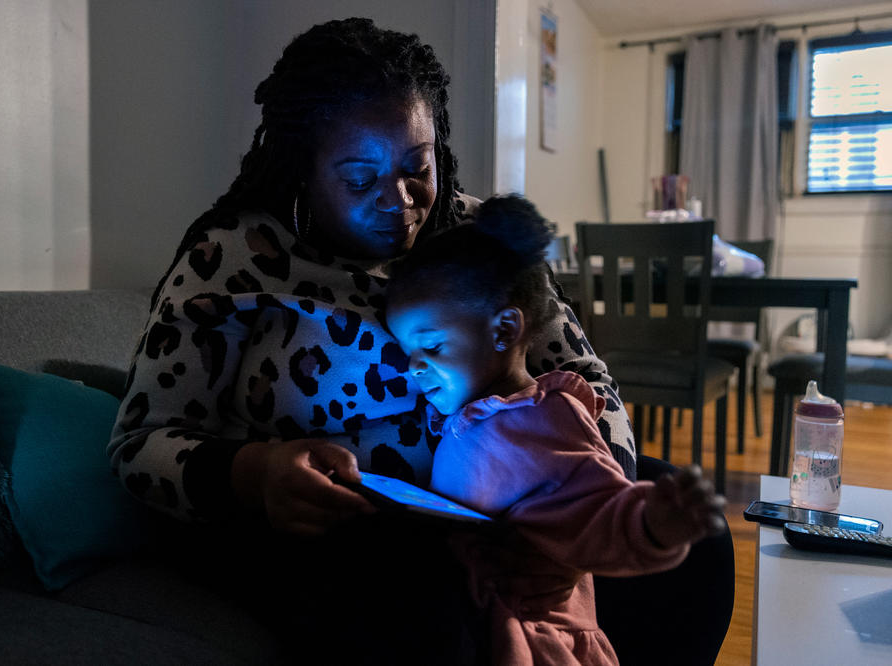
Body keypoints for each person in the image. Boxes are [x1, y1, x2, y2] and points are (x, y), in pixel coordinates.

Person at [108, 17, 637, 664]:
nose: (402, 199)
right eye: (360, 180)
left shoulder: (478, 241)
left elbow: (589, 379)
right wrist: (256, 473)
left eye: (420, 166)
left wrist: (587, 505)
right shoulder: (233, 259)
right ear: (303, 169)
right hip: (332, 538)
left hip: (510, 509)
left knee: (693, 551)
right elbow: (140, 445)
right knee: (429, 593)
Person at [383, 194, 727, 666]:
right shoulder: (475, 413)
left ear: (504, 330)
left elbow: (604, 507)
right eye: (409, 353)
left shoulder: (544, 420)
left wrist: (655, 524)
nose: (414, 369)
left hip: (542, 643)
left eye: (433, 348)